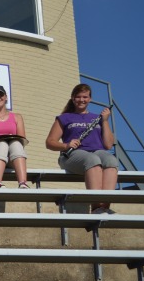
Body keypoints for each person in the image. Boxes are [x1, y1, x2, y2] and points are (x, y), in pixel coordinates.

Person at [46, 83, 118, 214]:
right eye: (78, 97)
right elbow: (50, 142)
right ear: (73, 98)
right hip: (72, 155)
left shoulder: (98, 118)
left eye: (85, 97)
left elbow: (108, 145)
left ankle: (105, 206)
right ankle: (96, 207)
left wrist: (105, 121)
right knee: (92, 160)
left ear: (90, 99)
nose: (81, 100)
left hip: (97, 151)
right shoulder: (64, 118)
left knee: (111, 161)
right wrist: (66, 145)